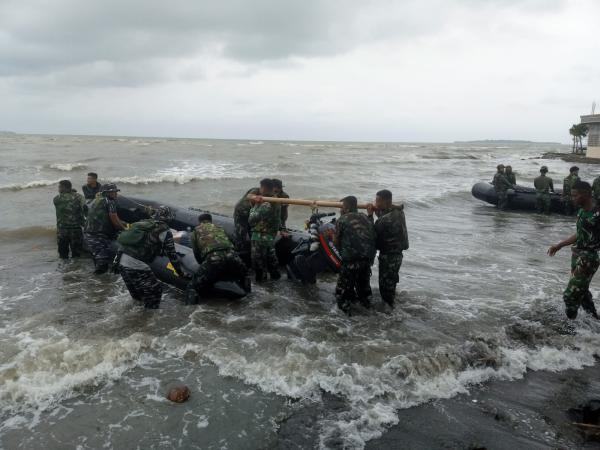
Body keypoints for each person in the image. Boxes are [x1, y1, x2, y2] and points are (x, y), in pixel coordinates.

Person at [548, 181, 600, 319]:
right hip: (576, 255)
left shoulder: (597, 214)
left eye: (575, 195)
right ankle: (595, 321)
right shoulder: (582, 210)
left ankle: (570, 330)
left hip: (588, 259)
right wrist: (560, 245)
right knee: (582, 293)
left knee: (569, 296)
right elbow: (580, 233)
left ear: (586, 194)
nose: (572, 198)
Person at [117, 206, 185, 309]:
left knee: (137, 296)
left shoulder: (143, 224)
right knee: (156, 291)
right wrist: (181, 273)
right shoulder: (165, 231)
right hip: (136, 265)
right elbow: (172, 256)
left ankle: (134, 317)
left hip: (121, 262)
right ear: (169, 218)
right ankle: (146, 319)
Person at [185, 214, 249, 304]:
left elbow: (196, 252)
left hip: (214, 259)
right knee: (245, 275)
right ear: (211, 220)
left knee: (192, 286)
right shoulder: (220, 228)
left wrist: (203, 265)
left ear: (199, 222)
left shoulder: (196, 231)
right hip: (232, 257)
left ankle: (189, 310)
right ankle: (249, 298)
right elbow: (233, 242)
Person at [334, 196, 376, 313]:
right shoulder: (366, 218)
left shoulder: (342, 219)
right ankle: (370, 312)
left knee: (342, 293)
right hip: (367, 260)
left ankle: (345, 319)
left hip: (351, 262)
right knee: (364, 290)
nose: (341, 209)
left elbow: (336, 241)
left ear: (346, 207)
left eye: (342, 207)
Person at [366, 190, 409, 308]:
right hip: (397, 256)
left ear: (387, 201)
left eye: (379, 201)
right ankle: (391, 306)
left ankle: (390, 312)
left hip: (388, 257)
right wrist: (379, 211)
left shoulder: (384, 220)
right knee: (391, 283)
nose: (376, 203)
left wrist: (370, 215)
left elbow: (371, 233)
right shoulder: (399, 213)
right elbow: (387, 215)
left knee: (385, 288)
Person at [84, 183, 127, 274]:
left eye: (116, 192)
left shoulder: (97, 200)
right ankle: (99, 283)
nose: (115, 194)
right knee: (102, 262)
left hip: (90, 233)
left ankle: (98, 282)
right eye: (113, 192)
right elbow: (115, 221)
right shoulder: (109, 202)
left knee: (98, 258)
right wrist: (125, 230)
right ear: (107, 193)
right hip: (97, 235)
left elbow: (111, 217)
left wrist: (124, 223)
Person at [248, 178, 281, 282]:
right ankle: (274, 285)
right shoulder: (276, 200)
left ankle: (262, 287)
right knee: (272, 262)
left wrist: (255, 205)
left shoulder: (266, 203)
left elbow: (252, 219)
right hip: (270, 236)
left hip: (260, 236)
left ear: (263, 187)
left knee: (259, 264)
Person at [53, 180, 85, 259]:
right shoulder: (79, 197)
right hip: (76, 230)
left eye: (59, 187)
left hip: (62, 230)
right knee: (76, 254)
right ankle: (76, 270)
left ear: (63, 188)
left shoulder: (56, 199)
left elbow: (65, 199)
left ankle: (64, 269)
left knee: (63, 254)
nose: (58, 189)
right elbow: (85, 207)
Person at [233, 187, 260, 260]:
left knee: (252, 232)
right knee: (240, 233)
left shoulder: (271, 195)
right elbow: (250, 197)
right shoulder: (257, 190)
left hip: (250, 212)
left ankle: (252, 251)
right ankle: (237, 253)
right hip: (241, 211)